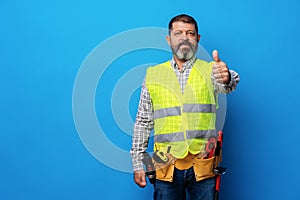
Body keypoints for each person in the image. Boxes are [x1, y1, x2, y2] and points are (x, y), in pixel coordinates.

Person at [130, 14, 240, 200]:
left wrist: (226, 76)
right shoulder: (153, 75)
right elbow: (143, 121)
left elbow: (228, 84)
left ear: (197, 38)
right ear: (169, 39)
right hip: (164, 163)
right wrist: (137, 164)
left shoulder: (211, 70)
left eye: (190, 33)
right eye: (178, 33)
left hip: (203, 162)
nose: (184, 37)